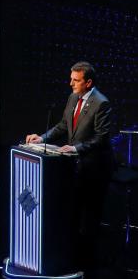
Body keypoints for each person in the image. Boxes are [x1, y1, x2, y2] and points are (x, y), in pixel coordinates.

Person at [24, 61, 114, 268]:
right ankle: (71, 258)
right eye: (71, 78)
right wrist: (42, 139)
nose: (70, 83)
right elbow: (63, 126)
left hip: (95, 167)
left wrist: (76, 148)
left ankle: (88, 265)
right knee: (73, 214)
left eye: (76, 80)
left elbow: (101, 138)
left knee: (90, 217)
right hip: (75, 167)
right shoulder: (73, 97)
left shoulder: (101, 103)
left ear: (88, 82)